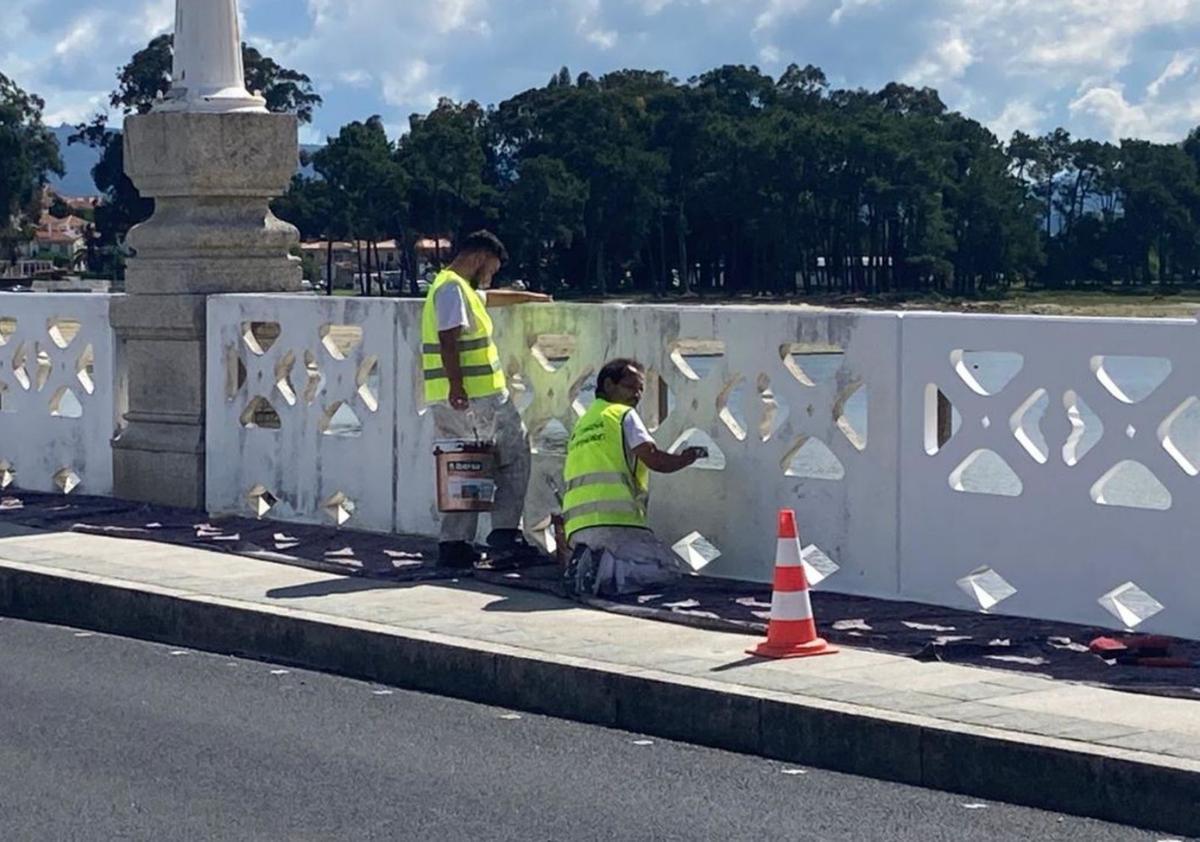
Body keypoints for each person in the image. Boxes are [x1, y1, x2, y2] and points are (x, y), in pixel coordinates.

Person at [421, 230, 551, 568]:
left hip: (448, 401)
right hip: (478, 398)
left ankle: (455, 545)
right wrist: (457, 386)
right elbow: (448, 339)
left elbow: (490, 298)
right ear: (479, 257)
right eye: (490, 268)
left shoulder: (450, 286)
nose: (490, 276)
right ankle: (505, 536)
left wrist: (534, 298)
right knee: (514, 458)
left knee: (464, 469)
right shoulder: (453, 290)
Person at [561, 358, 707, 596]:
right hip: (616, 521)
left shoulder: (583, 423)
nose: (637, 395)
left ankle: (589, 562)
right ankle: (604, 570)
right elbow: (654, 459)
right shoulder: (623, 415)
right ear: (609, 385)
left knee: (639, 555)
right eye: (631, 387)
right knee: (669, 569)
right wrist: (687, 457)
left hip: (578, 528)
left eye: (640, 389)